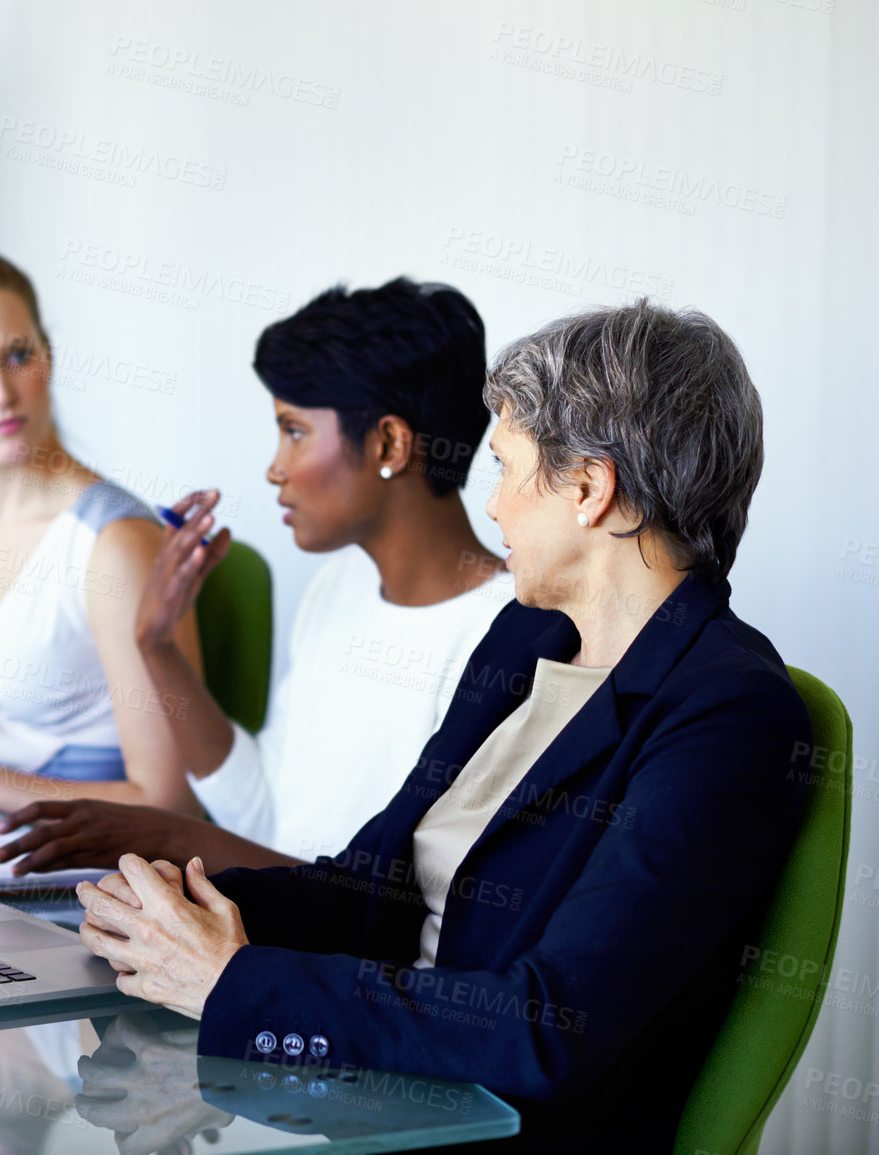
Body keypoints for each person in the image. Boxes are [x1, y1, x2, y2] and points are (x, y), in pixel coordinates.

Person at [71, 301, 812, 1153]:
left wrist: (232, 980)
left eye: (504, 468)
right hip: (369, 1099)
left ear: (588, 487)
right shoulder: (526, 638)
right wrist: (181, 902)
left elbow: (546, 1023)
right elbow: (369, 887)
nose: (489, 505)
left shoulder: (728, 713)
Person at [0, 278, 512, 874]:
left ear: (389, 444)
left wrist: (168, 836)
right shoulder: (335, 589)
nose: (274, 469)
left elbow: (388, 905)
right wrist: (156, 645)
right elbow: (264, 820)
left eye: (294, 431)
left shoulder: (502, 639)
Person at [0, 249, 204, 813]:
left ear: (48, 356)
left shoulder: (115, 545)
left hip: (90, 884)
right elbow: (19, 742)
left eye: (17, 356)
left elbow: (170, 802)